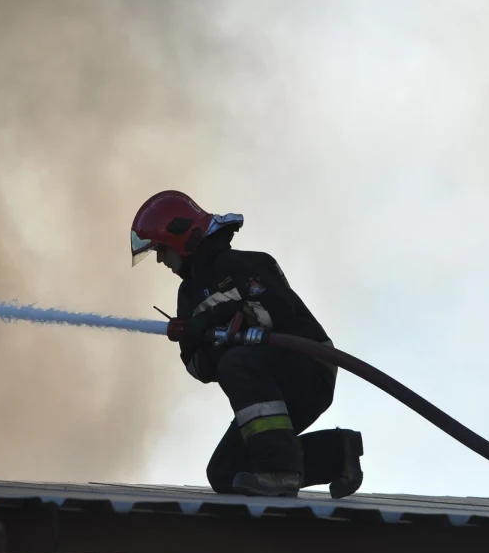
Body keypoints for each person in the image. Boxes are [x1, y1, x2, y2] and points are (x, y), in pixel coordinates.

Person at [131, 190, 363, 498]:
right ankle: (338, 454)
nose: (160, 259)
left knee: (236, 362)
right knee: (226, 473)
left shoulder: (246, 265)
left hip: (308, 364)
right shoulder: (187, 297)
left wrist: (219, 318)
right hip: (264, 382)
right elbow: (197, 366)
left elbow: (276, 313)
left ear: (181, 237)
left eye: (161, 249)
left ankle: (280, 472)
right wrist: (201, 342)